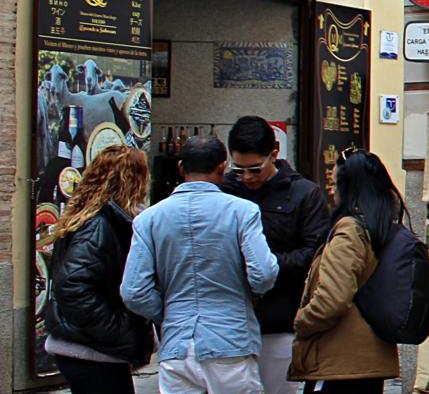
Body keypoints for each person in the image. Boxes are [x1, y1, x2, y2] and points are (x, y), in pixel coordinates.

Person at [121, 135, 279, 394]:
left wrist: (170, 312)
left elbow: (133, 291)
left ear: (181, 167)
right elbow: (263, 274)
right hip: (231, 337)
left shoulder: (148, 219)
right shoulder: (242, 211)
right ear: (222, 167)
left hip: (177, 345)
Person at [222, 116, 329, 394]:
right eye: (239, 169)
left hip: (281, 322)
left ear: (274, 154)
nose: (246, 178)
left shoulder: (304, 194)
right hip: (229, 324)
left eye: (255, 169)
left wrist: (263, 264)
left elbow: (313, 256)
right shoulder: (225, 191)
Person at [289, 150, 401, 394]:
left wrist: (301, 321)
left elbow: (332, 299)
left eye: (335, 183)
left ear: (348, 188)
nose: (331, 191)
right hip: (368, 361)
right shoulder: (382, 227)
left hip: (339, 363)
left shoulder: (350, 231)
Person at [44, 145, 153, 394]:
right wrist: (117, 329)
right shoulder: (98, 224)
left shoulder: (98, 216)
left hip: (91, 350)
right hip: (91, 351)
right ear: (135, 179)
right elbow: (72, 285)